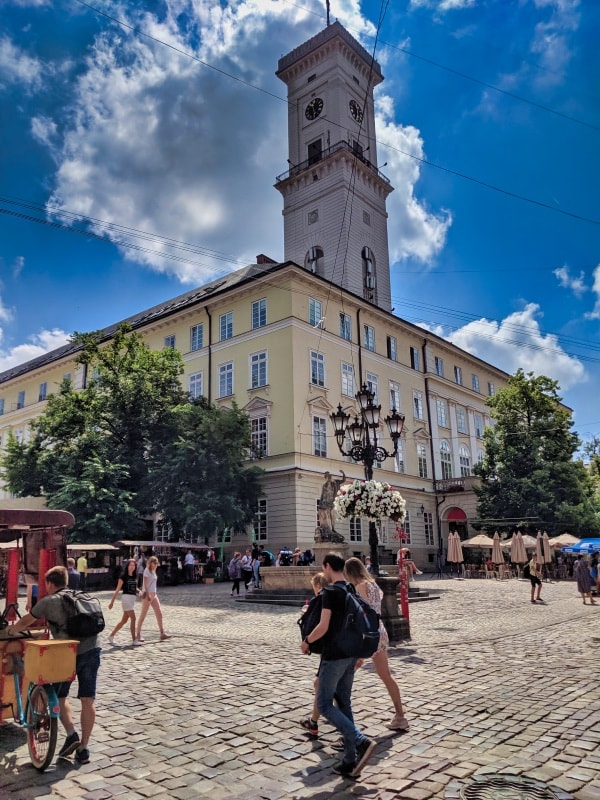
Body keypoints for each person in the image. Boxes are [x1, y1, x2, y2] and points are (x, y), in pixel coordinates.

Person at [7, 565, 101, 765]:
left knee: (59, 696)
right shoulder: (81, 596)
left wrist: (11, 631)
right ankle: (83, 748)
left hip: (67, 653)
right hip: (92, 649)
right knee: (87, 700)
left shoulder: (49, 601)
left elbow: (25, 622)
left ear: (49, 583)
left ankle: (71, 733)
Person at [300, 552, 375, 778]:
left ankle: (360, 742)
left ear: (327, 567)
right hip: (351, 654)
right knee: (344, 703)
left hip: (334, 655)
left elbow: (323, 626)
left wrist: (307, 641)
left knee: (323, 704)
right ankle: (350, 760)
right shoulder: (350, 589)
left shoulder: (331, 592)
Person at [344, 557, 409, 731]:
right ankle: (400, 716)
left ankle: (338, 715)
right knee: (386, 675)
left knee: (343, 674)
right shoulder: (373, 585)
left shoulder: (359, 587)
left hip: (366, 635)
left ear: (350, 573)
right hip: (379, 631)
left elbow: (360, 614)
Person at [300, 572, 331, 739]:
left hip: (331, 651)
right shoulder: (333, 596)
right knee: (321, 684)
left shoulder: (323, 599)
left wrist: (307, 641)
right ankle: (313, 721)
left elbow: (321, 626)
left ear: (318, 586)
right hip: (338, 651)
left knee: (320, 685)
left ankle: (354, 737)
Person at [135, 556, 170, 643]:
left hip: (154, 594)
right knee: (143, 614)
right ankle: (138, 634)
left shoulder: (153, 572)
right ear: (150, 563)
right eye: (154, 563)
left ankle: (162, 633)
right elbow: (145, 584)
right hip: (148, 594)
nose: (155, 565)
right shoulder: (146, 571)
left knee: (159, 613)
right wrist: (147, 594)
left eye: (156, 563)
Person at [107, 559, 139, 645]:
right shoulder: (123, 577)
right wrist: (112, 602)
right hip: (126, 598)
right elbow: (117, 590)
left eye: (133, 565)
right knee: (133, 618)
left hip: (132, 599)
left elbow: (135, 587)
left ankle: (111, 636)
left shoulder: (135, 576)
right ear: (127, 566)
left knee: (124, 621)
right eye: (130, 565)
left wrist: (140, 591)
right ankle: (134, 639)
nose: (132, 567)